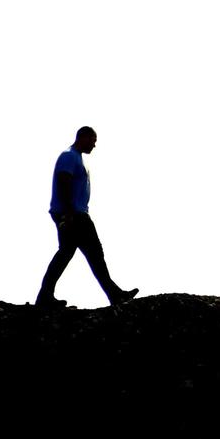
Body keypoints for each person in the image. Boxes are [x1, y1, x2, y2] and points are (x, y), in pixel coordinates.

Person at [34, 126, 138, 308]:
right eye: (93, 140)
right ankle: (115, 295)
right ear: (83, 137)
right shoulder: (69, 156)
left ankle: (45, 296)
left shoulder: (76, 158)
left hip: (74, 213)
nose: (94, 145)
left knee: (69, 253)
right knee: (93, 254)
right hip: (75, 215)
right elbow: (63, 181)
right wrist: (68, 213)